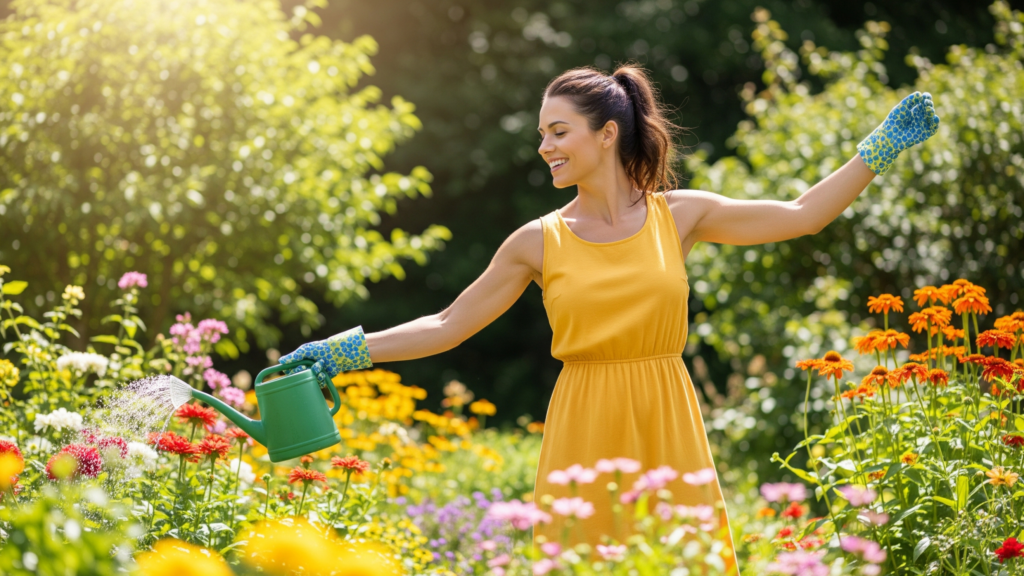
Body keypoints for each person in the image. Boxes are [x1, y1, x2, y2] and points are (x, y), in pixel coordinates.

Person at [280, 64, 939, 563]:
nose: (545, 146)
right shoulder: (537, 241)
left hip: (667, 413)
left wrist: (876, 149)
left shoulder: (679, 215)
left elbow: (803, 216)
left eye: (558, 132)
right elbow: (449, 324)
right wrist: (342, 350)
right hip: (584, 422)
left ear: (607, 132)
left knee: (683, 560)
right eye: (542, 135)